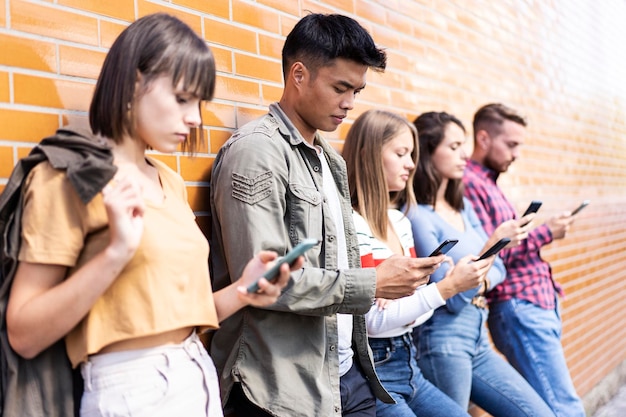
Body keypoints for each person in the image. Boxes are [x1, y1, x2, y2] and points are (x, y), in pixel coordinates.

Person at [4, 13, 300, 417]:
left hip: (196, 374)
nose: (195, 117)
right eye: (182, 98)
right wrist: (115, 253)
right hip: (130, 391)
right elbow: (23, 332)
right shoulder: (68, 178)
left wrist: (243, 290)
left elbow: (173, 317)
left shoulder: (168, 180)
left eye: (199, 102)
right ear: (132, 84)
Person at [209, 13, 439, 417]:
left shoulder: (329, 160)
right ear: (299, 75)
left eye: (357, 90)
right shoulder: (257, 153)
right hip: (279, 388)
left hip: (343, 375)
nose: (349, 103)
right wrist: (373, 283)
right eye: (340, 88)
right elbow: (263, 282)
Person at [408, 111, 557, 416]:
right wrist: (490, 248)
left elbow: (498, 270)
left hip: (477, 334)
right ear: (427, 152)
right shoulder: (418, 217)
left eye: (463, 144)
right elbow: (450, 297)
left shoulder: (461, 207)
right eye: (453, 147)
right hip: (443, 340)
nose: (464, 153)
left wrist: (478, 276)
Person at [343, 109, 486, 417]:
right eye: (401, 153)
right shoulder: (353, 225)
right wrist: (446, 288)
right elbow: (373, 323)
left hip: (409, 363)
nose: (410, 163)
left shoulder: (399, 221)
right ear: (369, 155)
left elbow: (407, 314)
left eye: (411, 154)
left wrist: (409, 298)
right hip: (376, 376)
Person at [463, 103, 586, 417]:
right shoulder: (470, 183)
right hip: (518, 304)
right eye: (511, 144)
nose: (516, 153)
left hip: (536, 301)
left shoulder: (489, 182)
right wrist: (546, 232)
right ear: (484, 138)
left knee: (553, 404)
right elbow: (492, 254)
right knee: (564, 407)